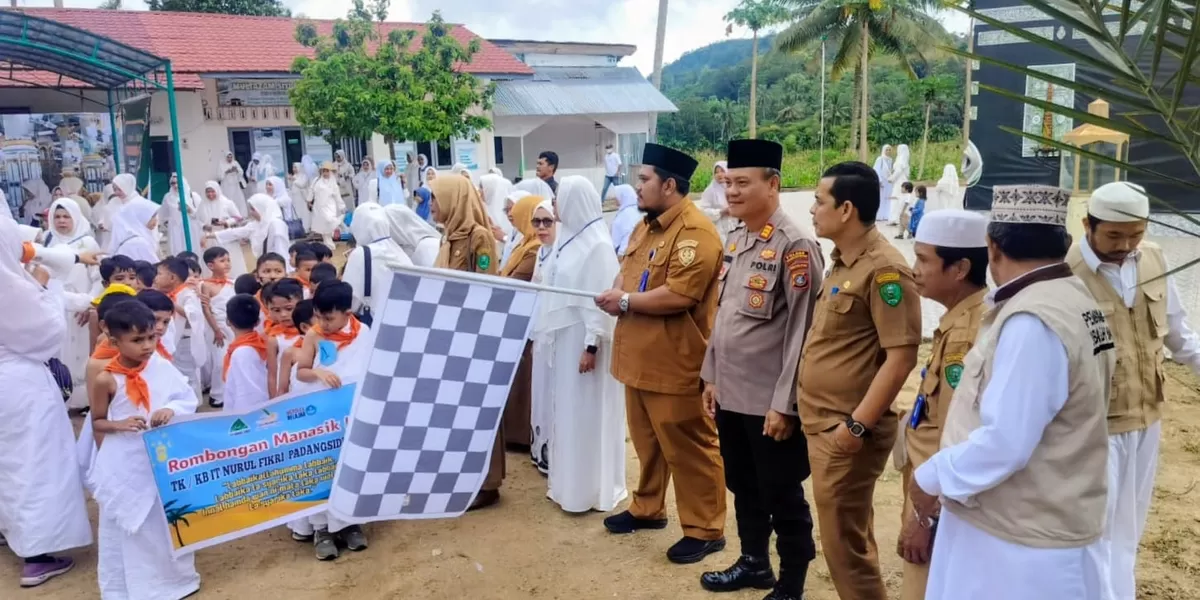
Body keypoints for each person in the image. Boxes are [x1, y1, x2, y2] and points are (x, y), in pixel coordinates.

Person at [909, 185, 1116, 600]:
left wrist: (931, 478)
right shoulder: (1073, 297)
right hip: (1030, 521)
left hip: (1019, 542)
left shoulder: (1033, 320)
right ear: (1065, 242)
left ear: (993, 246)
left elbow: (1006, 441)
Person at [698, 140, 823, 600]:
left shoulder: (795, 245)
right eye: (729, 182)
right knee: (743, 484)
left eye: (743, 183)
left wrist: (786, 405)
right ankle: (754, 563)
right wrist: (711, 376)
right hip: (732, 393)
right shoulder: (737, 237)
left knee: (781, 492)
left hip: (770, 402)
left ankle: (792, 583)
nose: (731, 191)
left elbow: (803, 334)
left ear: (773, 185)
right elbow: (723, 316)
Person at [594, 143, 727, 564]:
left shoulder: (696, 233)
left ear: (669, 185)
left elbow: (680, 295)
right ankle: (648, 507)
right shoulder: (645, 226)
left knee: (689, 447)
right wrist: (619, 293)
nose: (637, 186)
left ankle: (705, 528)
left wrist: (625, 301)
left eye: (644, 179)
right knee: (648, 442)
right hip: (638, 358)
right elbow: (628, 272)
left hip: (675, 362)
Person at [1069, 182, 1200, 600]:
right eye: (1114, 235)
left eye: (1136, 234)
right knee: (1096, 530)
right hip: (1095, 426)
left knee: (1129, 528)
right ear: (1088, 224)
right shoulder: (1067, 272)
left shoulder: (1154, 259)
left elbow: (1178, 335)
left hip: (1147, 419)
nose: (1125, 245)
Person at [798, 161, 921, 600]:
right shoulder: (841, 262)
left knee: (844, 547)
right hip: (823, 421)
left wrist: (855, 427)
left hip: (846, 429)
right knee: (844, 538)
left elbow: (901, 357)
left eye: (819, 201)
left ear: (846, 209)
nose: (812, 209)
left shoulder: (885, 270)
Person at [895, 209, 989, 600]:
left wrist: (924, 518)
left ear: (960, 268)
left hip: (938, 498)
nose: (914, 269)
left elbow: (957, 435)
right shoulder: (961, 318)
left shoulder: (966, 335)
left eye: (924, 259)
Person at [0, 215, 93, 588]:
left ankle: (9, 527)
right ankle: (38, 554)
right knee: (35, 463)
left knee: (5, 462)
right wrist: (47, 284)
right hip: (17, 384)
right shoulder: (8, 285)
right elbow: (45, 336)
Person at [88, 300, 200, 600]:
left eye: (151, 337)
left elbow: (186, 397)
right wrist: (120, 424)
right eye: (138, 340)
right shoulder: (105, 379)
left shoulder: (160, 366)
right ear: (114, 341)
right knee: (128, 525)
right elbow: (97, 422)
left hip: (160, 457)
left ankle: (172, 582)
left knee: (162, 519)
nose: (148, 345)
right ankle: (130, 588)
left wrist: (170, 409)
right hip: (125, 459)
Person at [535, 176, 628, 513]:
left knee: (588, 413)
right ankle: (568, 486)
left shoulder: (597, 245)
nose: (554, 204)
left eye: (559, 198)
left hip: (587, 344)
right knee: (568, 411)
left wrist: (591, 347)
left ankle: (592, 489)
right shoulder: (567, 240)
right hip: (565, 339)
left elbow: (598, 303)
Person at [430, 174, 506, 510]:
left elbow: (487, 289)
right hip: (450, 337)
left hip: (475, 338)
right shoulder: (448, 238)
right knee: (456, 411)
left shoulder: (479, 237)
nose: (431, 205)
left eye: (436, 198)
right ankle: (461, 476)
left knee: (480, 410)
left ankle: (488, 483)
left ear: (453, 199)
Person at [291, 280, 370, 558]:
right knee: (324, 467)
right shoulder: (314, 336)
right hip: (323, 416)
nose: (323, 323)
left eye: (329, 318)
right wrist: (318, 373)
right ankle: (322, 528)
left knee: (350, 466)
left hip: (352, 414)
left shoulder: (364, 333)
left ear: (347, 313)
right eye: (319, 317)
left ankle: (349, 523)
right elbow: (301, 371)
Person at [46, 198, 103, 411]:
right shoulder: (47, 241)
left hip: (83, 309)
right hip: (56, 306)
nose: (61, 221)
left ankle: (85, 400)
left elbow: (99, 278)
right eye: (57, 217)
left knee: (82, 352)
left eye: (66, 217)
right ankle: (63, 397)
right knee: (60, 351)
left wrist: (90, 304)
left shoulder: (87, 243)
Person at [498, 195, 544, 451]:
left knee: (524, 382)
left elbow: (516, 281)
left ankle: (522, 436)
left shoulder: (534, 248)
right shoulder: (523, 243)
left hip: (526, 320)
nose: (510, 215)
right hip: (516, 319)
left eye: (515, 211)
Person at [528, 198, 558, 471]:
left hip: (557, 338)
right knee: (541, 392)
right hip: (541, 334)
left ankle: (555, 453)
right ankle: (541, 448)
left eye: (547, 221)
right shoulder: (542, 252)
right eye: (536, 222)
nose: (541, 227)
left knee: (553, 395)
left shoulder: (562, 253)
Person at [344, 203, 413, 317]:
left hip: (372, 321)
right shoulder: (400, 252)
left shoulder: (360, 254)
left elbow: (350, 303)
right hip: (400, 317)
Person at [155, 256, 209, 397]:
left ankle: (192, 402)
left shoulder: (187, 293)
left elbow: (192, 315)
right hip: (175, 339)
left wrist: (172, 305)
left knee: (187, 375)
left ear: (172, 278)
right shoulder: (171, 294)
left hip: (185, 341)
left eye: (159, 274)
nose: (156, 278)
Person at [207, 194, 290, 269]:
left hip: (279, 267)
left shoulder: (276, 224)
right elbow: (235, 232)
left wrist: (283, 270)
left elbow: (281, 250)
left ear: (262, 208)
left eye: (253, 209)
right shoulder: (256, 224)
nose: (251, 212)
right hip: (266, 265)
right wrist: (210, 235)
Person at [202, 247, 236, 408]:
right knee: (220, 361)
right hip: (216, 327)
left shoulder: (233, 283)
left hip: (233, 325)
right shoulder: (206, 285)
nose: (227, 263)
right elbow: (206, 309)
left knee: (233, 359)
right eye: (222, 261)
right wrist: (216, 330)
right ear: (210, 265)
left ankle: (231, 391)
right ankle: (217, 394)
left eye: (228, 260)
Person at [222, 294, 269, 411]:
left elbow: (247, 394)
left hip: (247, 414)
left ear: (228, 321)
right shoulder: (260, 342)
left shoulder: (242, 352)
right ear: (258, 322)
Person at [262, 278, 305, 398]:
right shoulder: (274, 338)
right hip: (285, 393)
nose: (283, 314)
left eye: (289, 308)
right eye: (276, 310)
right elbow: (272, 374)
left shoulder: (310, 331)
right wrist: (274, 400)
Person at [199, 181, 247, 278]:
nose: (210, 194)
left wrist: (226, 222)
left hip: (226, 237)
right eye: (208, 192)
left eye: (212, 191)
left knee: (228, 258)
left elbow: (238, 217)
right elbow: (198, 219)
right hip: (210, 237)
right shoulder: (203, 204)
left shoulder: (227, 203)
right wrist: (204, 226)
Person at [110, 195, 161, 263]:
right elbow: (154, 266)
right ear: (140, 217)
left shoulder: (129, 237)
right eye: (152, 217)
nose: (156, 220)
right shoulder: (138, 242)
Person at [160, 173, 201, 256]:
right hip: (175, 229)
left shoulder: (193, 196)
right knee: (177, 251)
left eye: (178, 182)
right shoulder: (168, 197)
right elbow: (162, 215)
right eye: (173, 183)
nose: (176, 185)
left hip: (191, 228)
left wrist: (189, 210)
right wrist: (168, 223)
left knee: (192, 250)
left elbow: (200, 215)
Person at [697, 161, 735, 244]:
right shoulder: (710, 190)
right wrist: (720, 212)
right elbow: (702, 211)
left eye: (722, 171)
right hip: (718, 229)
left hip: (734, 226)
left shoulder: (733, 187)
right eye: (716, 172)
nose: (719, 174)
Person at [311, 162, 345, 249]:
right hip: (319, 206)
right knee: (323, 225)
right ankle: (328, 244)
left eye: (327, 171)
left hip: (329, 206)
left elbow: (337, 196)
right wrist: (309, 201)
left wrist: (342, 207)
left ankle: (334, 233)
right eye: (324, 171)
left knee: (330, 221)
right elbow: (312, 191)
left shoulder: (333, 183)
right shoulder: (316, 181)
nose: (325, 173)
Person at [480, 172, 515, 247]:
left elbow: (518, 244)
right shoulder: (482, 209)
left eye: (482, 187)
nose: (479, 191)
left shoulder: (513, 216)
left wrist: (503, 237)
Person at [609, 184, 641, 257]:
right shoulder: (636, 210)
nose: (616, 199)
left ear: (623, 196)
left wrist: (619, 254)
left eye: (617, 197)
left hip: (623, 253)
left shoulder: (624, 215)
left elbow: (617, 240)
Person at [217, 151, 248, 215]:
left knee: (238, 199)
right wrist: (226, 172)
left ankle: (240, 214)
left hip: (235, 185)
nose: (230, 159)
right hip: (226, 186)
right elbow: (219, 177)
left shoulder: (235, 163)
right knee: (228, 199)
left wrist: (236, 170)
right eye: (228, 157)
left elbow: (241, 172)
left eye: (231, 157)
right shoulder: (221, 164)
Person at [888, 144, 912, 224]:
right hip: (903, 181)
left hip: (899, 182)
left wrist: (891, 178)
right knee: (901, 199)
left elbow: (898, 171)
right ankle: (898, 218)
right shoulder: (905, 159)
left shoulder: (900, 160)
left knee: (896, 199)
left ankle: (894, 218)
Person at [291, 159, 315, 231]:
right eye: (293, 167)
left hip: (301, 198)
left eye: (295, 167)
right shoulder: (295, 176)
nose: (294, 169)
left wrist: (294, 180)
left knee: (304, 213)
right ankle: (298, 228)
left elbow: (302, 185)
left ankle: (306, 228)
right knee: (297, 213)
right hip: (295, 198)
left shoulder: (304, 176)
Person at [873, 145, 894, 222]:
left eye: (889, 150)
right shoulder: (880, 159)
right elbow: (877, 170)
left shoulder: (890, 160)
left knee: (887, 198)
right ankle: (879, 215)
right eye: (887, 150)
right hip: (882, 181)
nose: (888, 151)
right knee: (881, 198)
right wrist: (879, 181)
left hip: (888, 181)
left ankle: (886, 215)